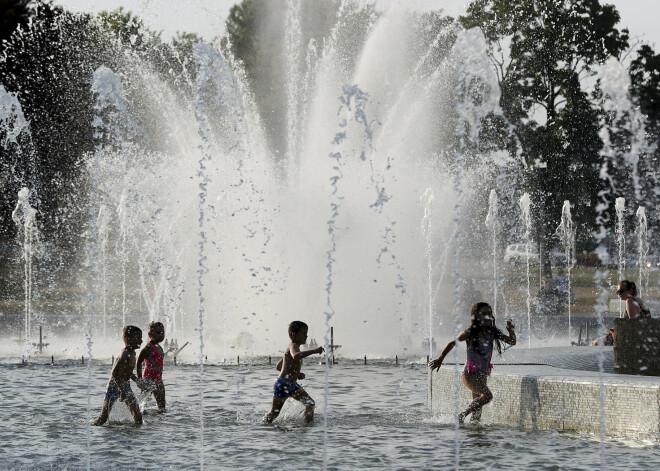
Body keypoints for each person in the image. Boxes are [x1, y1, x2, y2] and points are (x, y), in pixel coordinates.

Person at [429, 302, 516, 424]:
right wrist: (440, 360)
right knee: (487, 396)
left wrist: (511, 330)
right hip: (469, 375)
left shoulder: (492, 332)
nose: (488, 316)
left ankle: (474, 438)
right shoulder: (470, 332)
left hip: (482, 376)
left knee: (476, 416)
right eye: (484, 314)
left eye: (490, 313)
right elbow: (452, 343)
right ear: (476, 316)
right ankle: (461, 415)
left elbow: (512, 341)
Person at [264, 321, 324, 424]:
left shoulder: (293, 347)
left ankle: (307, 425)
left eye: (306, 333)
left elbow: (279, 367)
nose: (306, 336)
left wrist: (296, 373)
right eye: (304, 333)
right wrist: (314, 351)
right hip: (283, 385)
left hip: (292, 385)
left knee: (310, 404)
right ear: (294, 335)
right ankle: (261, 425)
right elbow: (296, 356)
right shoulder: (293, 346)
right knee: (274, 414)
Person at [92, 325, 143, 426]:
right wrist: (122, 391)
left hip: (125, 386)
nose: (141, 341)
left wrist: (136, 380)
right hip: (114, 386)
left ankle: (135, 435)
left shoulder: (132, 353)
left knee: (138, 415)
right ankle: (90, 427)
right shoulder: (124, 354)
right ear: (128, 340)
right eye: (138, 338)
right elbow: (115, 373)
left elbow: (127, 371)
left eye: (141, 338)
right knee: (103, 419)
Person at [137, 321, 166, 411]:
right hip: (148, 379)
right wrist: (140, 379)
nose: (160, 335)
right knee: (142, 404)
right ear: (150, 334)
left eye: (162, 332)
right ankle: (138, 415)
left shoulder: (159, 347)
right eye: (158, 333)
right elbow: (138, 362)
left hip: (158, 380)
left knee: (162, 406)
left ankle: (160, 418)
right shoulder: (148, 348)